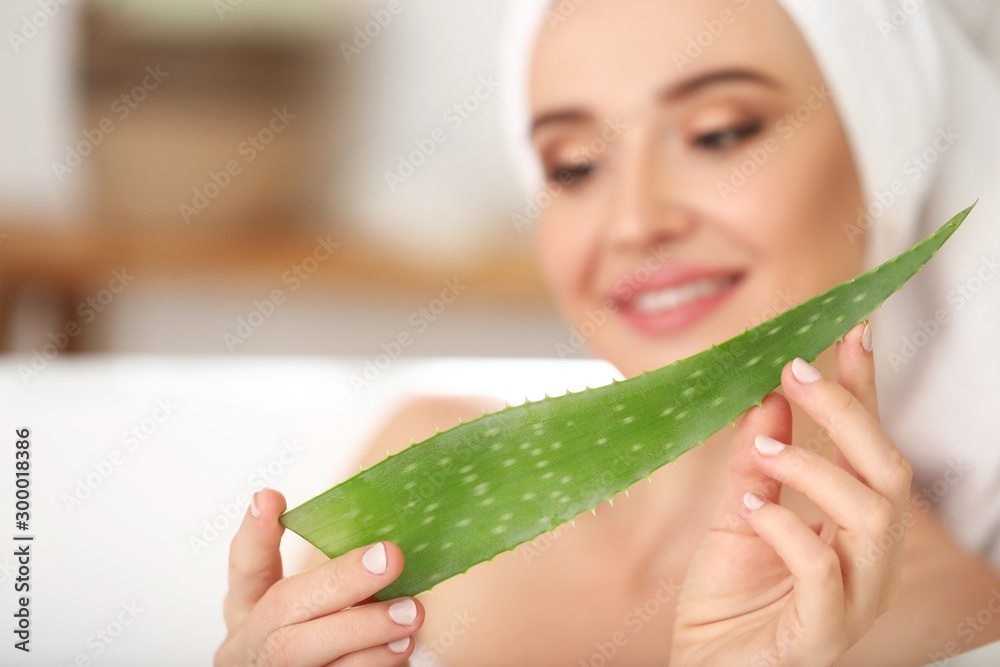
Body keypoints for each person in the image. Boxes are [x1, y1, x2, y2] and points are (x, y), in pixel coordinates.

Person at [214, 1, 1000, 665]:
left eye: (719, 133)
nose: (633, 223)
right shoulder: (416, 479)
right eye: (575, 166)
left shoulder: (960, 622)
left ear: (887, 151)